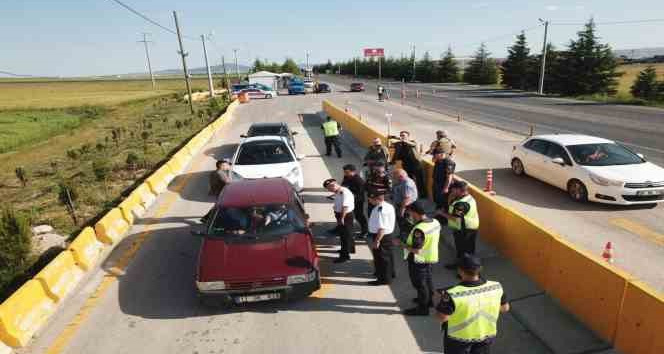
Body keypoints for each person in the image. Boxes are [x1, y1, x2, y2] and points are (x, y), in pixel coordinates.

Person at [434, 254, 510, 354]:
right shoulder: (496, 286)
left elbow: (442, 317)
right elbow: (505, 308)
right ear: (480, 269)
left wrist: (437, 301)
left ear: (460, 271)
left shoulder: (452, 294)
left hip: (458, 338)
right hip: (485, 335)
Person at [395, 201, 441, 316]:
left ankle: (423, 308)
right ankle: (428, 301)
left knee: (420, 284)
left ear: (415, 212)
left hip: (419, 260)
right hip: (431, 257)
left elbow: (417, 250)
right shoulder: (435, 222)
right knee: (428, 280)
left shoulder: (419, 230)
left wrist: (401, 244)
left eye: (410, 212)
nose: (409, 214)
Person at [436, 181, 480, 269]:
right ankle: (462, 265)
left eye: (453, 189)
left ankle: (466, 269)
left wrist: (441, 213)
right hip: (468, 227)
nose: (451, 190)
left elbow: (455, 218)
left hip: (465, 230)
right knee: (465, 249)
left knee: (465, 251)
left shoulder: (462, 204)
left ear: (459, 190)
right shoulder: (467, 197)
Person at [367, 190, 396, 285]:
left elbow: (382, 228)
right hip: (387, 236)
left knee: (381, 259)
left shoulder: (381, 209)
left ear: (377, 199)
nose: (369, 200)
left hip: (382, 236)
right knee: (388, 257)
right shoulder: (387, 205)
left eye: (370, 199)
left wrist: (377, 241)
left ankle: (383, 279)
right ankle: (390, 273)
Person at [323, 178, 355, 263]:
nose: (330, 190)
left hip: (345, 216)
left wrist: (342, 218)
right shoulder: (338, 192)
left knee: (345, 236)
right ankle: (349, 249)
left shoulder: (344, 192)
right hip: (341, 215)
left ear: (333, 185)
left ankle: (344, 256)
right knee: (344, 234)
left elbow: (345, 206)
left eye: (329, 188)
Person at [390, 131, 426, 197]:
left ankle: (422, 195)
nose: (402, 136)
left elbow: (413, 144)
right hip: (406, 165)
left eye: (404, 135)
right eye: (401, 135)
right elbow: (395, 151)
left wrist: (403, 141)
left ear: (408, 136)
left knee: (420, 181)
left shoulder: (412, 142)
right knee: (408, 181)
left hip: (416, 164)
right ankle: (410, 193)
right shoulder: (399, 144)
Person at [201, 159, 232, 223]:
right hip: (221, 192)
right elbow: (228, 182)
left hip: (217, 191)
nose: (227, 166)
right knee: (220, 206)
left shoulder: (215, 172)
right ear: (221, 166)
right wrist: (229, 172)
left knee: (219, 206)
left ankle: (206, 218)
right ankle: (207, 218)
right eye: (226, 165)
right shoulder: (220, 173)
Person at [341, 164, 368, 238]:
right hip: (348, 199)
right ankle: (341, 228)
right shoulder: (347, 176)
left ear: (353, 172)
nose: (345, 174)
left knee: (359, 215)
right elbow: (343, 185)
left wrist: (349, 195)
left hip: (357, 200)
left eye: (347, 172)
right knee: (345, 214)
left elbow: (359, 193)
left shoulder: (359, 181)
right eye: (344, 172)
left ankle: (365, 231)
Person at [391, 168, 418, 238]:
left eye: (395, 177)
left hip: (406, 208)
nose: (394, 178)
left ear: (400, 176)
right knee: (401, 223)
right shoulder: (402, 181)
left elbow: (407, 199)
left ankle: (408, 238)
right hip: (400, 206)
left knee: (407, 223)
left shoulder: (407, 184)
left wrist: (402, 210)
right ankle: (402, 235)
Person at [432, 148, 456, 221]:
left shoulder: (448, 163)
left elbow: (449, 177)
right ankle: (438, 215)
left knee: (443, 202)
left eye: (436, 155)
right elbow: (433, 160)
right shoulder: (439, 160)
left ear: (441, 154)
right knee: (437, 200)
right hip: (437, 184)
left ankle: (443, 219)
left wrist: (446, 188)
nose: (434, 157)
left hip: (443, 185)